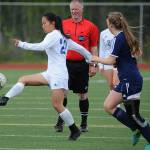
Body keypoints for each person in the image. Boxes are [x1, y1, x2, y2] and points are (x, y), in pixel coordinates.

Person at [0, 12, 93, 141]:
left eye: (44, 23)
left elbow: (41, 46)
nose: (43, 26)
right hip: (50, 74)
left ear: (53, 23)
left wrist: (21, 44)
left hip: (58, 76)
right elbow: (81, 49)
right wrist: (90, 59)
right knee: (23, 79)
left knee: (57, 105)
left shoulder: (53, 34)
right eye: (42, 23)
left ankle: (74, 130)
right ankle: (5, 98)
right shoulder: (63, 37)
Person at [91, 12, 150, 149]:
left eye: (107, 22)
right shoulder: (123, 36)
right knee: (108, 106)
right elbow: (132, 55)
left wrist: (96, 58)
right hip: (126, 80)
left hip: (131, 81)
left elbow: (111, 60)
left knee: (135, 115)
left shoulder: (120, 38)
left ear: (110, 24)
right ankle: (134, 129)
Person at [54, 0, 99, 133]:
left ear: (82, 9)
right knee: (63, 93)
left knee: (83, 94)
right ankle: (60, 122)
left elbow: (94, 47)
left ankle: (84, 123)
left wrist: (93, 65)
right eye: (72, 9)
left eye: (76, 9)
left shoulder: (91, 27)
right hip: (65, 64)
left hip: (82, 65)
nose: (74, 11)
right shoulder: (63, 24)